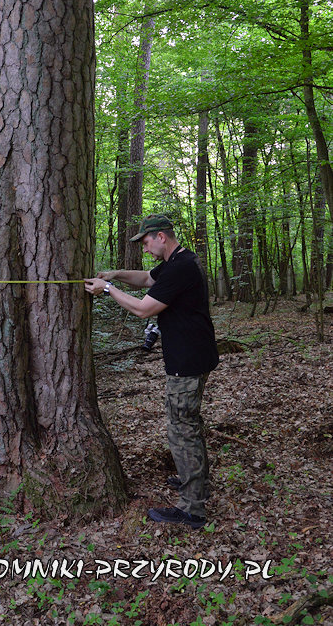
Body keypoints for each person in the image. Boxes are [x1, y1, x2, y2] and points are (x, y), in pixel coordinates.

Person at [84, 214, 219, 529]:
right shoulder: (178, 262)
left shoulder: (181, 267)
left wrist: (106, 290)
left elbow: (143, 307)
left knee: (181, 429)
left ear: (161, 236)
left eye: (145, 242)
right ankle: (197, 483)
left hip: (188, 361)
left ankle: (192, 509)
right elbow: (147, 279)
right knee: (188, 425)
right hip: (194, 356)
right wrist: (116, 275)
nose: (144, 248)